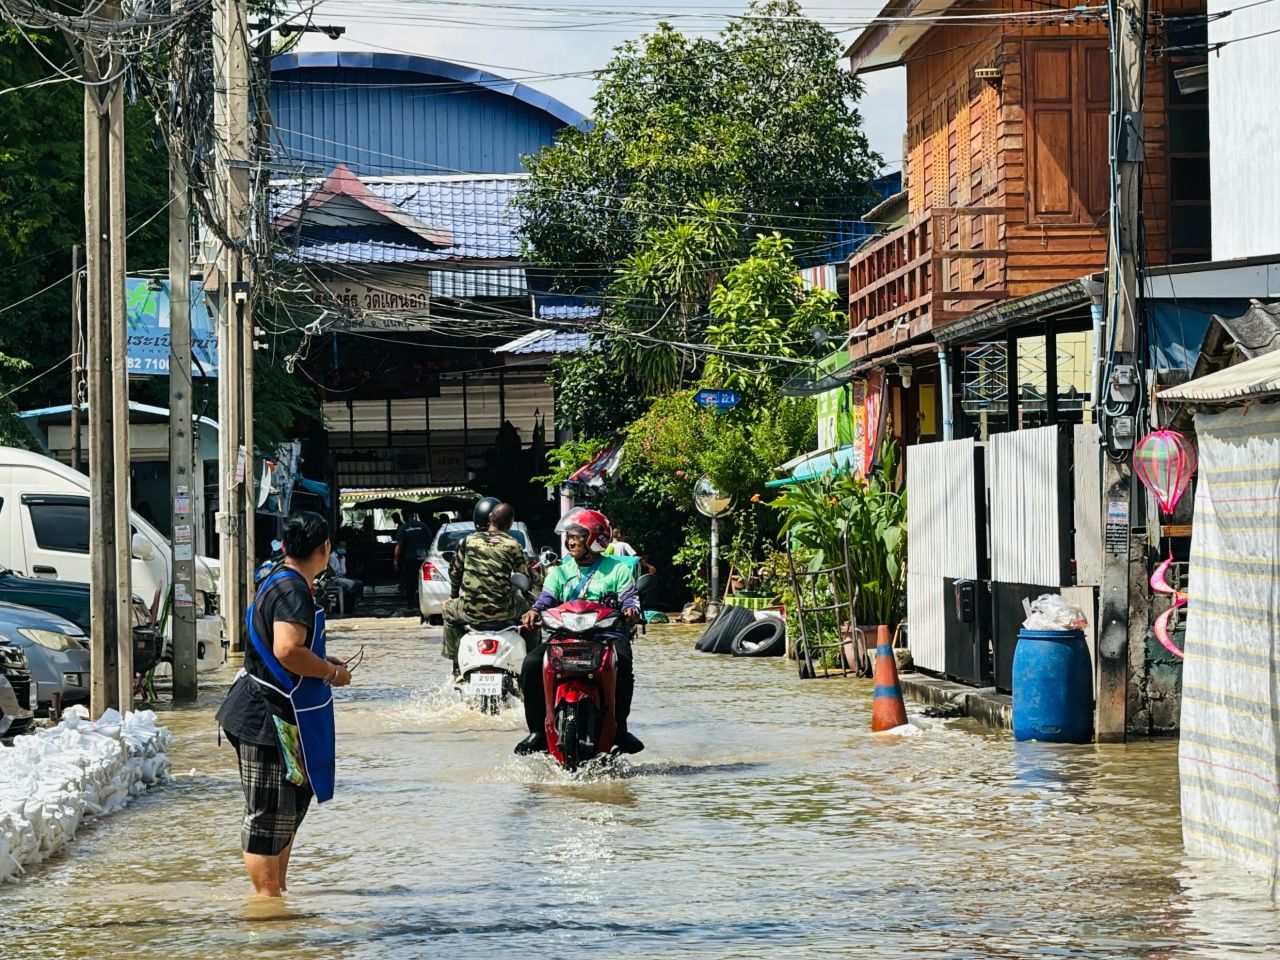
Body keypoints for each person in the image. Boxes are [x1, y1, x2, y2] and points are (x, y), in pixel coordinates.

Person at [215, 511, 352, 898]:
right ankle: (266, 902)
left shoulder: (280, 579)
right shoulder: (292, 590)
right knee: (268, 813)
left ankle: (277, 890)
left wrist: (326, 662)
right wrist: (330, 672)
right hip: (263, 716)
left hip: (279, 712)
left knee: (290, 804)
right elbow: (288, 650)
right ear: (324, 549)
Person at [518, 507, 644, 756]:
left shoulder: (617, 570)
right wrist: (533, 611)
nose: (571, 541)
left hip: (606, 636)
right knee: (531, 664)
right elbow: (546, 598)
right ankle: (537, 732)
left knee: (624, 664)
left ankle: (620, 729)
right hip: (564, 636)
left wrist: (630, 611)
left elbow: (630, 600)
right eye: (569, 536)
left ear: (596, 539)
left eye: (577, 535)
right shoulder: (559, 571)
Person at [441, 498, 530, 671]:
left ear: (490, 518)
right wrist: (530, 601)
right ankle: (530, 663)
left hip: (469, 610)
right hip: (504, 611)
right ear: (510, 523)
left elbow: (455, 573)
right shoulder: (512, 545)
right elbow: (524, 578)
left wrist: (453, 596)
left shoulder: (467, 541)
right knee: (532, 616)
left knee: (448, 611)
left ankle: (456, 663)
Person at [393, 507, 433, 599]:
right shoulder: (423, 526)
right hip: (423, 557)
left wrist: (395, 560)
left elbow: (399, 545)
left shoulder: (403, 528)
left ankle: (410, 601)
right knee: (424, 579)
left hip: (410, 558)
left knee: (410, 580)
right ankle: (424, 598)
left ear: (404, 516)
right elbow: (430, 540)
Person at [326, 540, 364, 614]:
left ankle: (356, 603)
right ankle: (350, 607)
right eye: (342, 546)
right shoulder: (332, 556)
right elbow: (333, 573)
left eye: (345, 546)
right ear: (337, 546)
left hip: (342, 578)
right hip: (334, 579)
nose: (344, 548)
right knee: (353, 585)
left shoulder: (343, 558)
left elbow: (343, 572)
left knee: (359, 583)